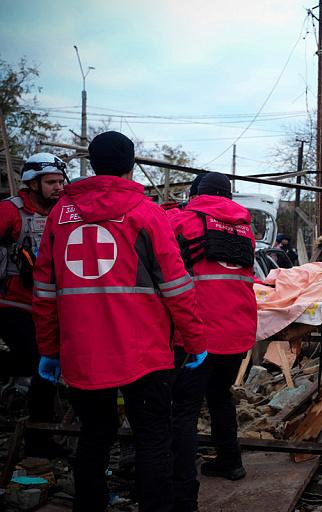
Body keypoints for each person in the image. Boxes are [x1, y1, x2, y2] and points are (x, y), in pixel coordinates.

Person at [32, 131, 208, 511]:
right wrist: (194, 341)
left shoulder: (59, 217)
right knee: (153, 439)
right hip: (144, 355)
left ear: (91, 165)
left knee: (94, 437)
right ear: (131, 166)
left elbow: (44, 292)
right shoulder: (146, 214)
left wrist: (49, 350)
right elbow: (177, 287)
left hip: (83, 356)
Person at [170, 172, 258, 510]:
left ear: (196, 193)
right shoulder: (244, 228)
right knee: (220, 394)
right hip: (239, 329)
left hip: (199, 332)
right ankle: (230, 460)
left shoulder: (182, 220)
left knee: (185, 408)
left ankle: (181, 486)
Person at [0, 153, 69, 458]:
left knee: (48, 368)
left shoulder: (63, 213)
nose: (58, 187)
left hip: (44, 305)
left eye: (61, 181)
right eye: (52, 182)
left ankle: (40, 439)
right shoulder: (9, 211)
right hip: (10, 302)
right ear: (32, 183)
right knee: (35, 362)